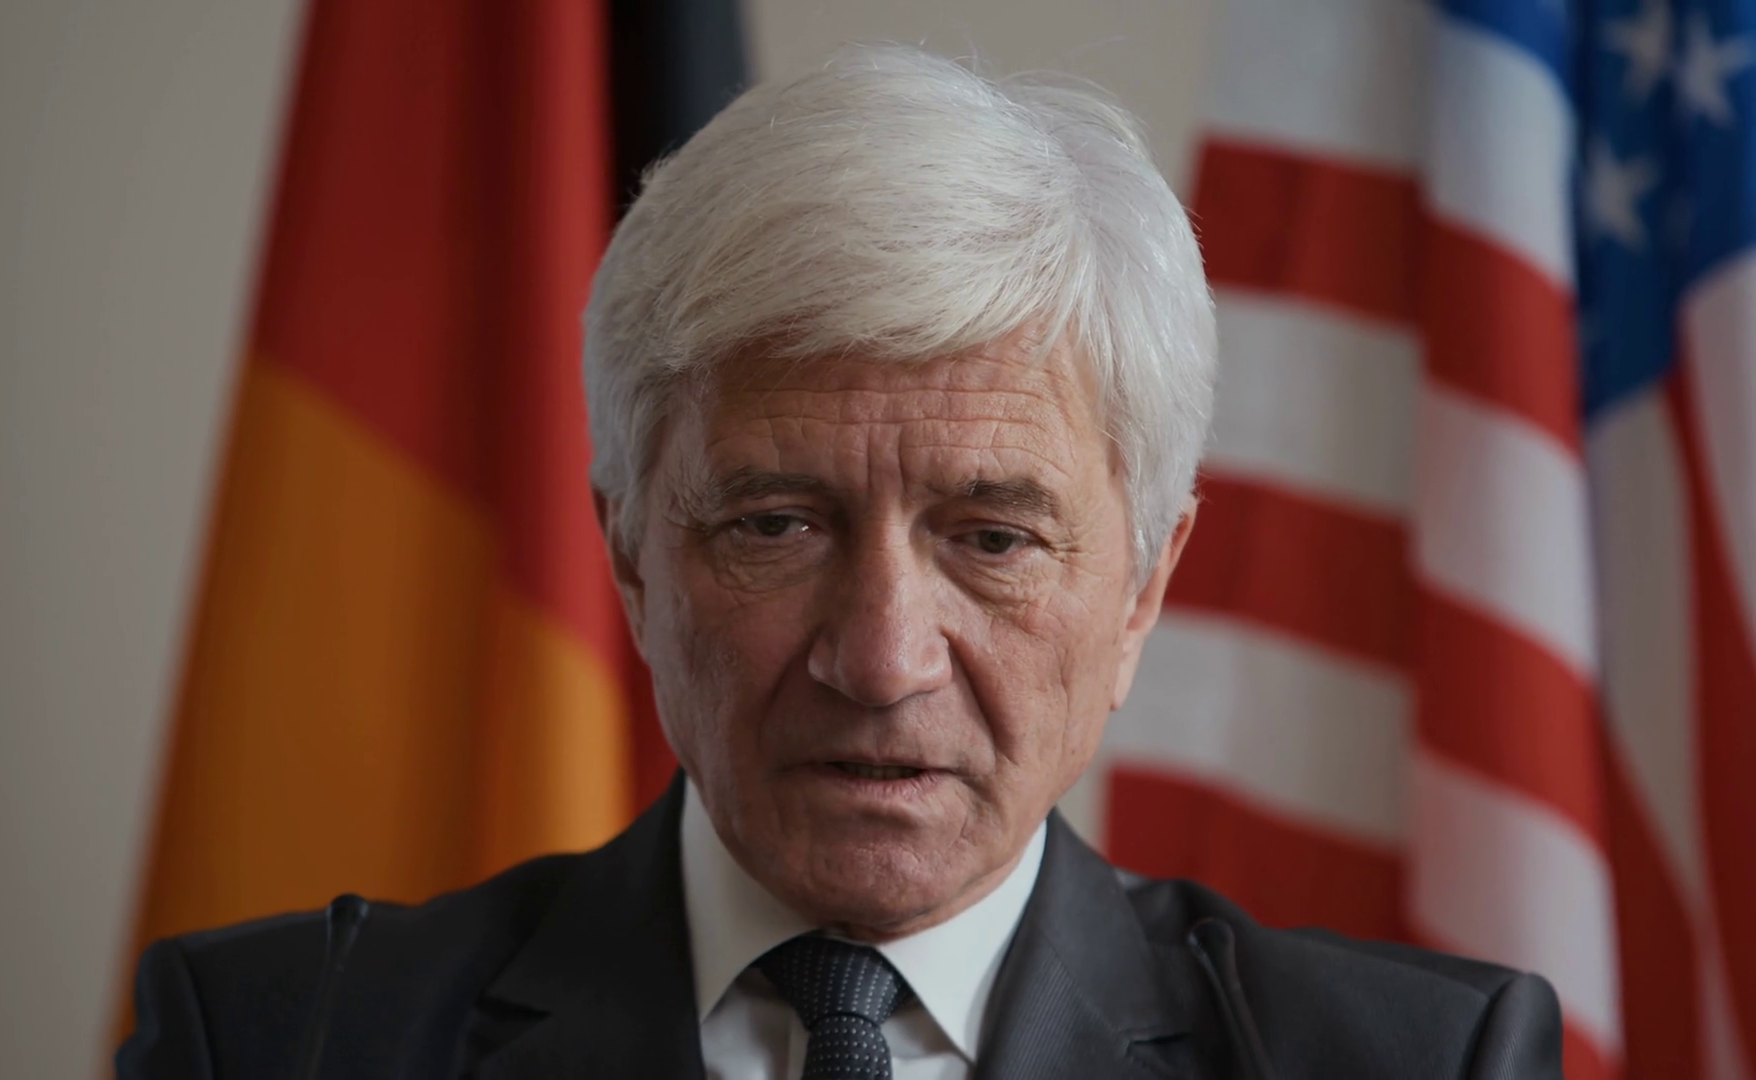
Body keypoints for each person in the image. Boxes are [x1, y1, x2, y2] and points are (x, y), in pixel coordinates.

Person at [117, 45, 1563, 1080]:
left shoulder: (1426, 1061)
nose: (880, 661)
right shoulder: (280, 1041)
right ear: (631, 558)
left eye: (992, 539)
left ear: (1141, 590)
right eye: (776, 525)